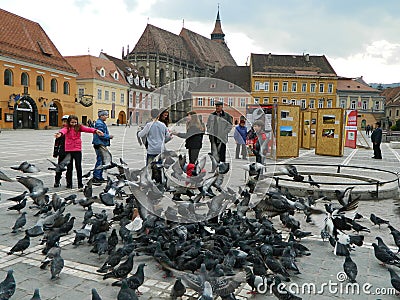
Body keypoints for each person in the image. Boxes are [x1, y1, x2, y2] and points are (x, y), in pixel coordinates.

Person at [54, 115, 104, 189]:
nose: (73, 124)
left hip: (77, 150)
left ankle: (80, 184)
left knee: (78, 167)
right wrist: (60, 134)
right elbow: (63, 131)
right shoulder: (67, 128)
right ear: (69, 122)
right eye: (72, 122)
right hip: (68, 150)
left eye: (75, 122)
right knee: (69, 168)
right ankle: (69, 184)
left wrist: (96, 131)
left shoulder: (79, 127)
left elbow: (88, 129)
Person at [92, 110, 113, 184]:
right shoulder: (99, 123)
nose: (107, 117)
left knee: (101, 160)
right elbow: (100, 134)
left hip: (100, 144)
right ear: (101, 116)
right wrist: (108, 136)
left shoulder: (100, 122)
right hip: (99, 144)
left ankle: (98, 176)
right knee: (100, 160)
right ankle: (97, 177)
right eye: (106, 115)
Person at [52, 115, 69, 187]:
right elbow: (57, 143)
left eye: (66, 122)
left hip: (69, 152)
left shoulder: (72, 131)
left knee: (69, 168)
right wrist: (55, 152)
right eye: (63, 121)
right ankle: (57, 181)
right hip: (62, 151)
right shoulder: (61, 132)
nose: (64, 123)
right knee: (59, 167)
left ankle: (69, 182)